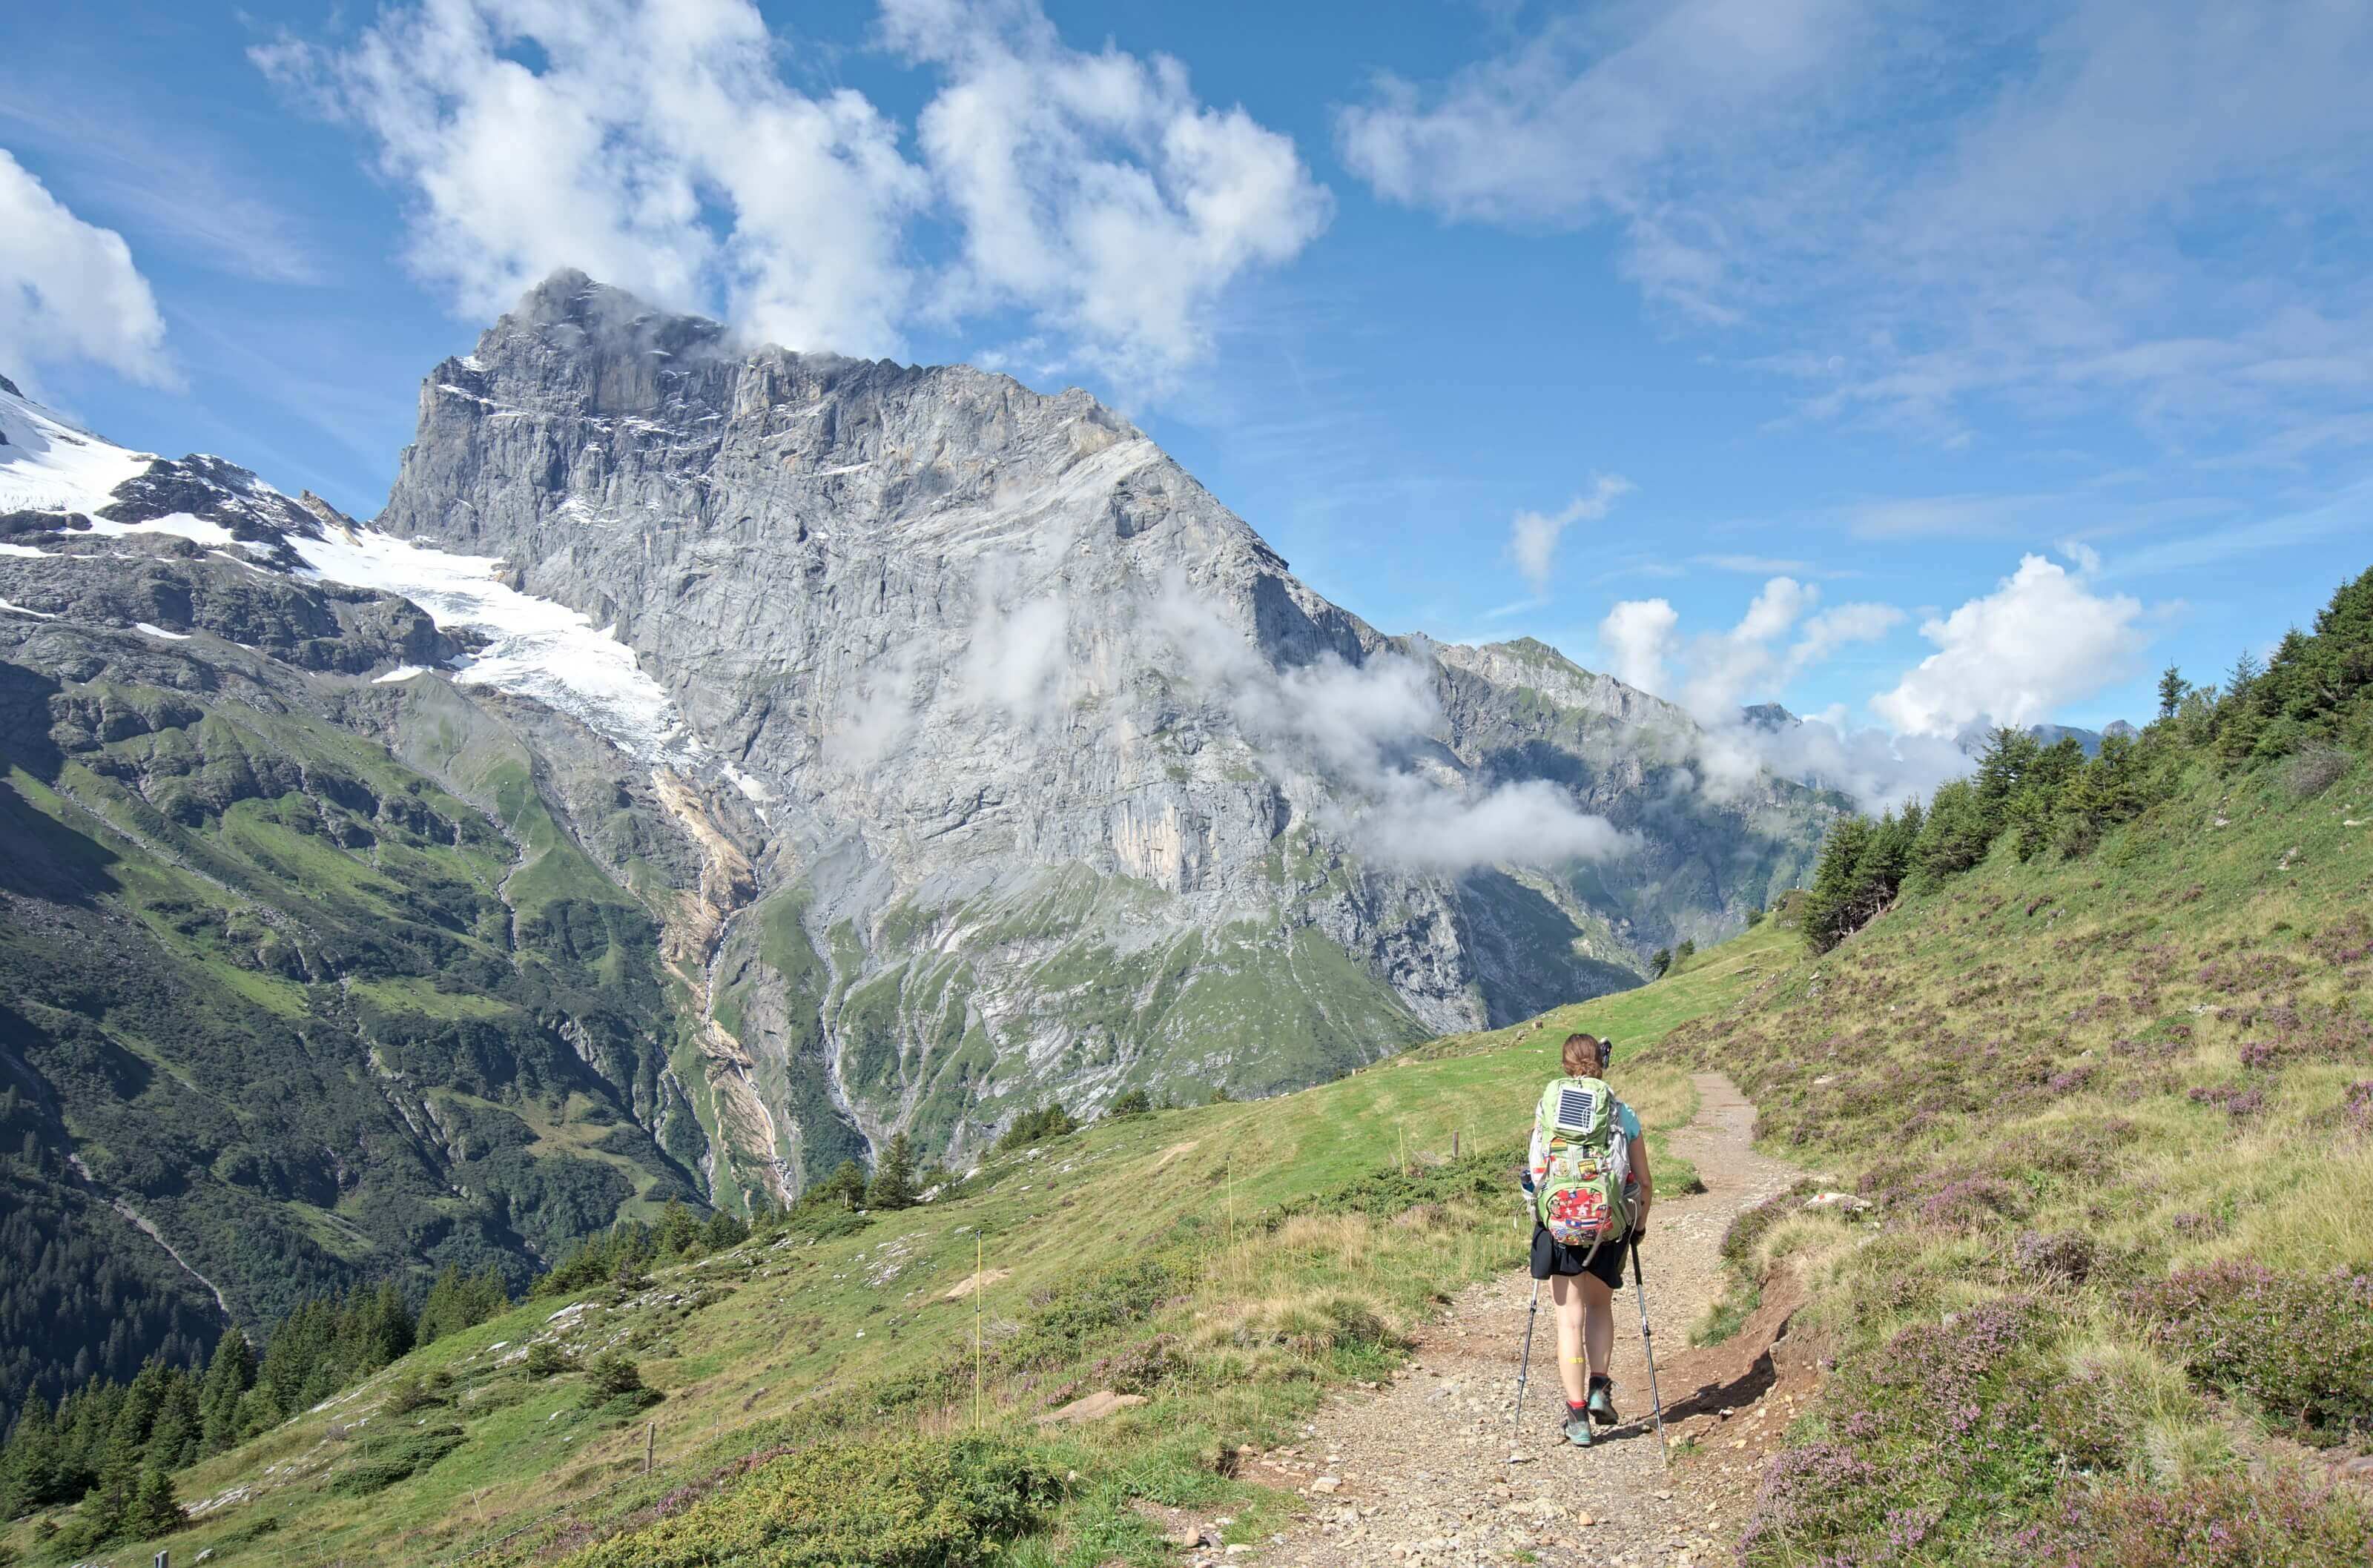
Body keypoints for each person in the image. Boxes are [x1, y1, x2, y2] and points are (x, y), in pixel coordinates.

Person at [1524, 1031, 1652, 1447]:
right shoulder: (1621, 1113)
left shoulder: (1547, 1108)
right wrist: (1639, 1226)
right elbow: (1644, 1183)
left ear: (1564, 1066)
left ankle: (1577, 1417)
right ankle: (1600, 1387)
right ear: (1601, 1062)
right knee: (1600, 1308)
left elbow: (1535, 1176)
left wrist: (1540, 1212)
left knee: (1568, 1320)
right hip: (1607, 1227)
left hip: (1559, 1227)